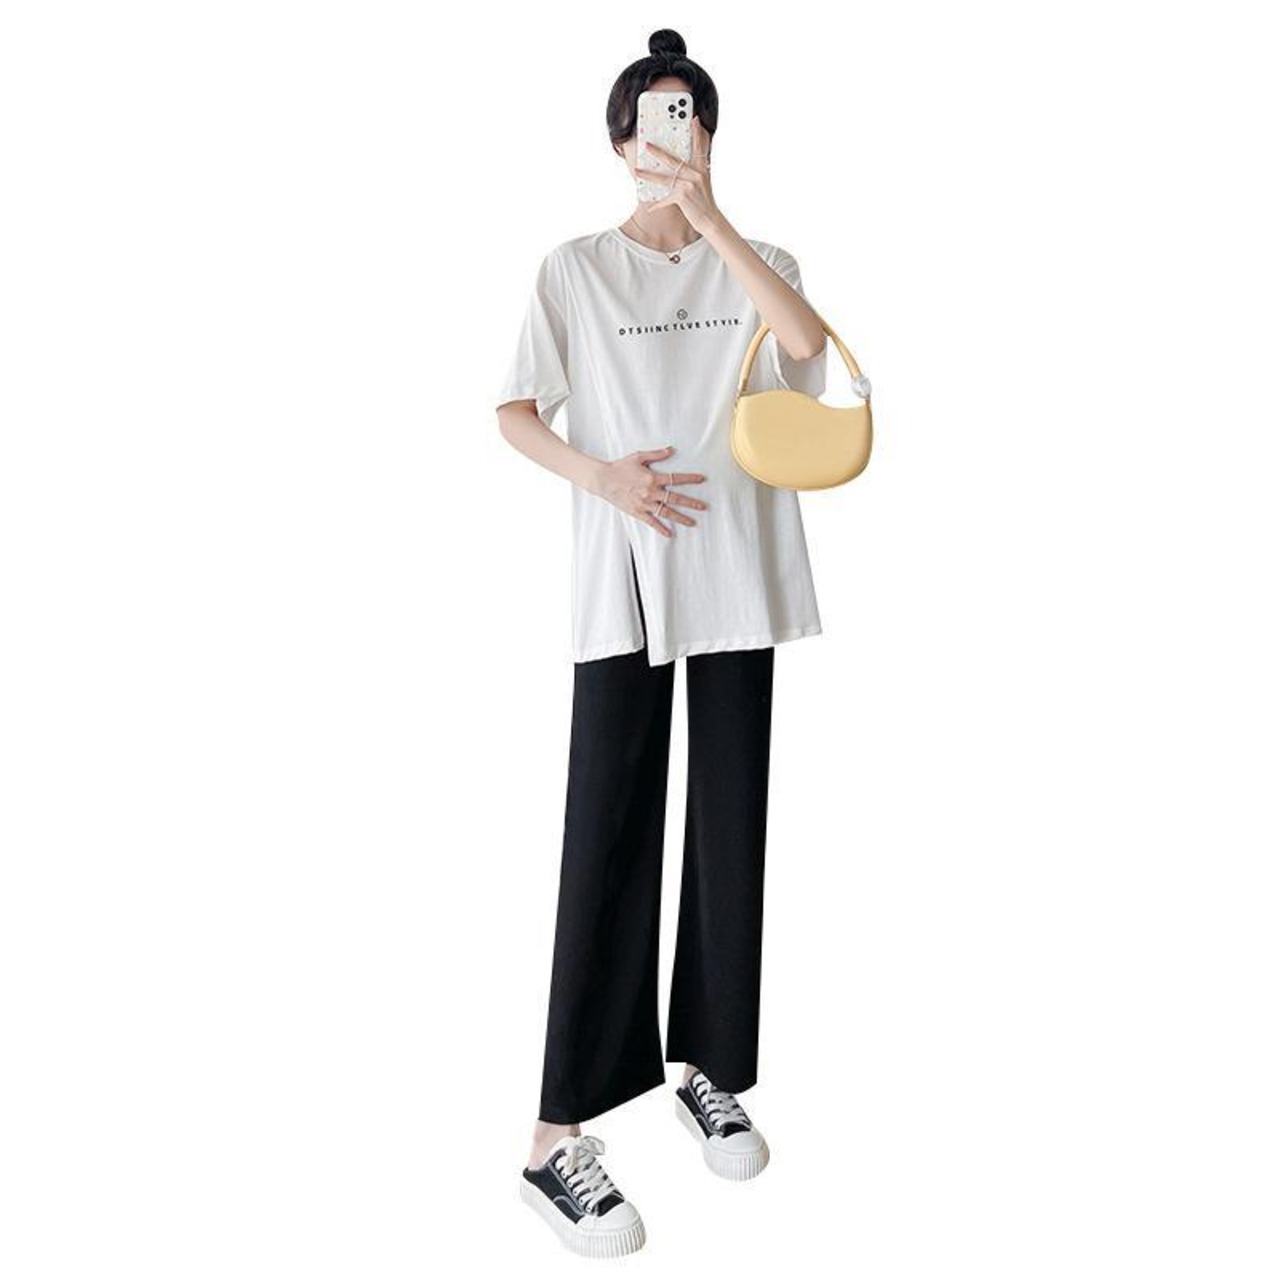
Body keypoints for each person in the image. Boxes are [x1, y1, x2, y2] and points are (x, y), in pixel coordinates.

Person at [495, 28, 829, 1258]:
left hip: (736, 568)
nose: (668, 137)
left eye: (688, 118)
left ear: (709, 137)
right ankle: (554, 1134)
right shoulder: (574, 270)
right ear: (616, 139)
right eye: (652, 119)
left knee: (729, 820)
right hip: (625, 576)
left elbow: (804, 350)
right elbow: (513, 410)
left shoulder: (761, 259)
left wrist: (711, 217)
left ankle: (708, 1066)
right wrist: (605, 478)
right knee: (608, 826)